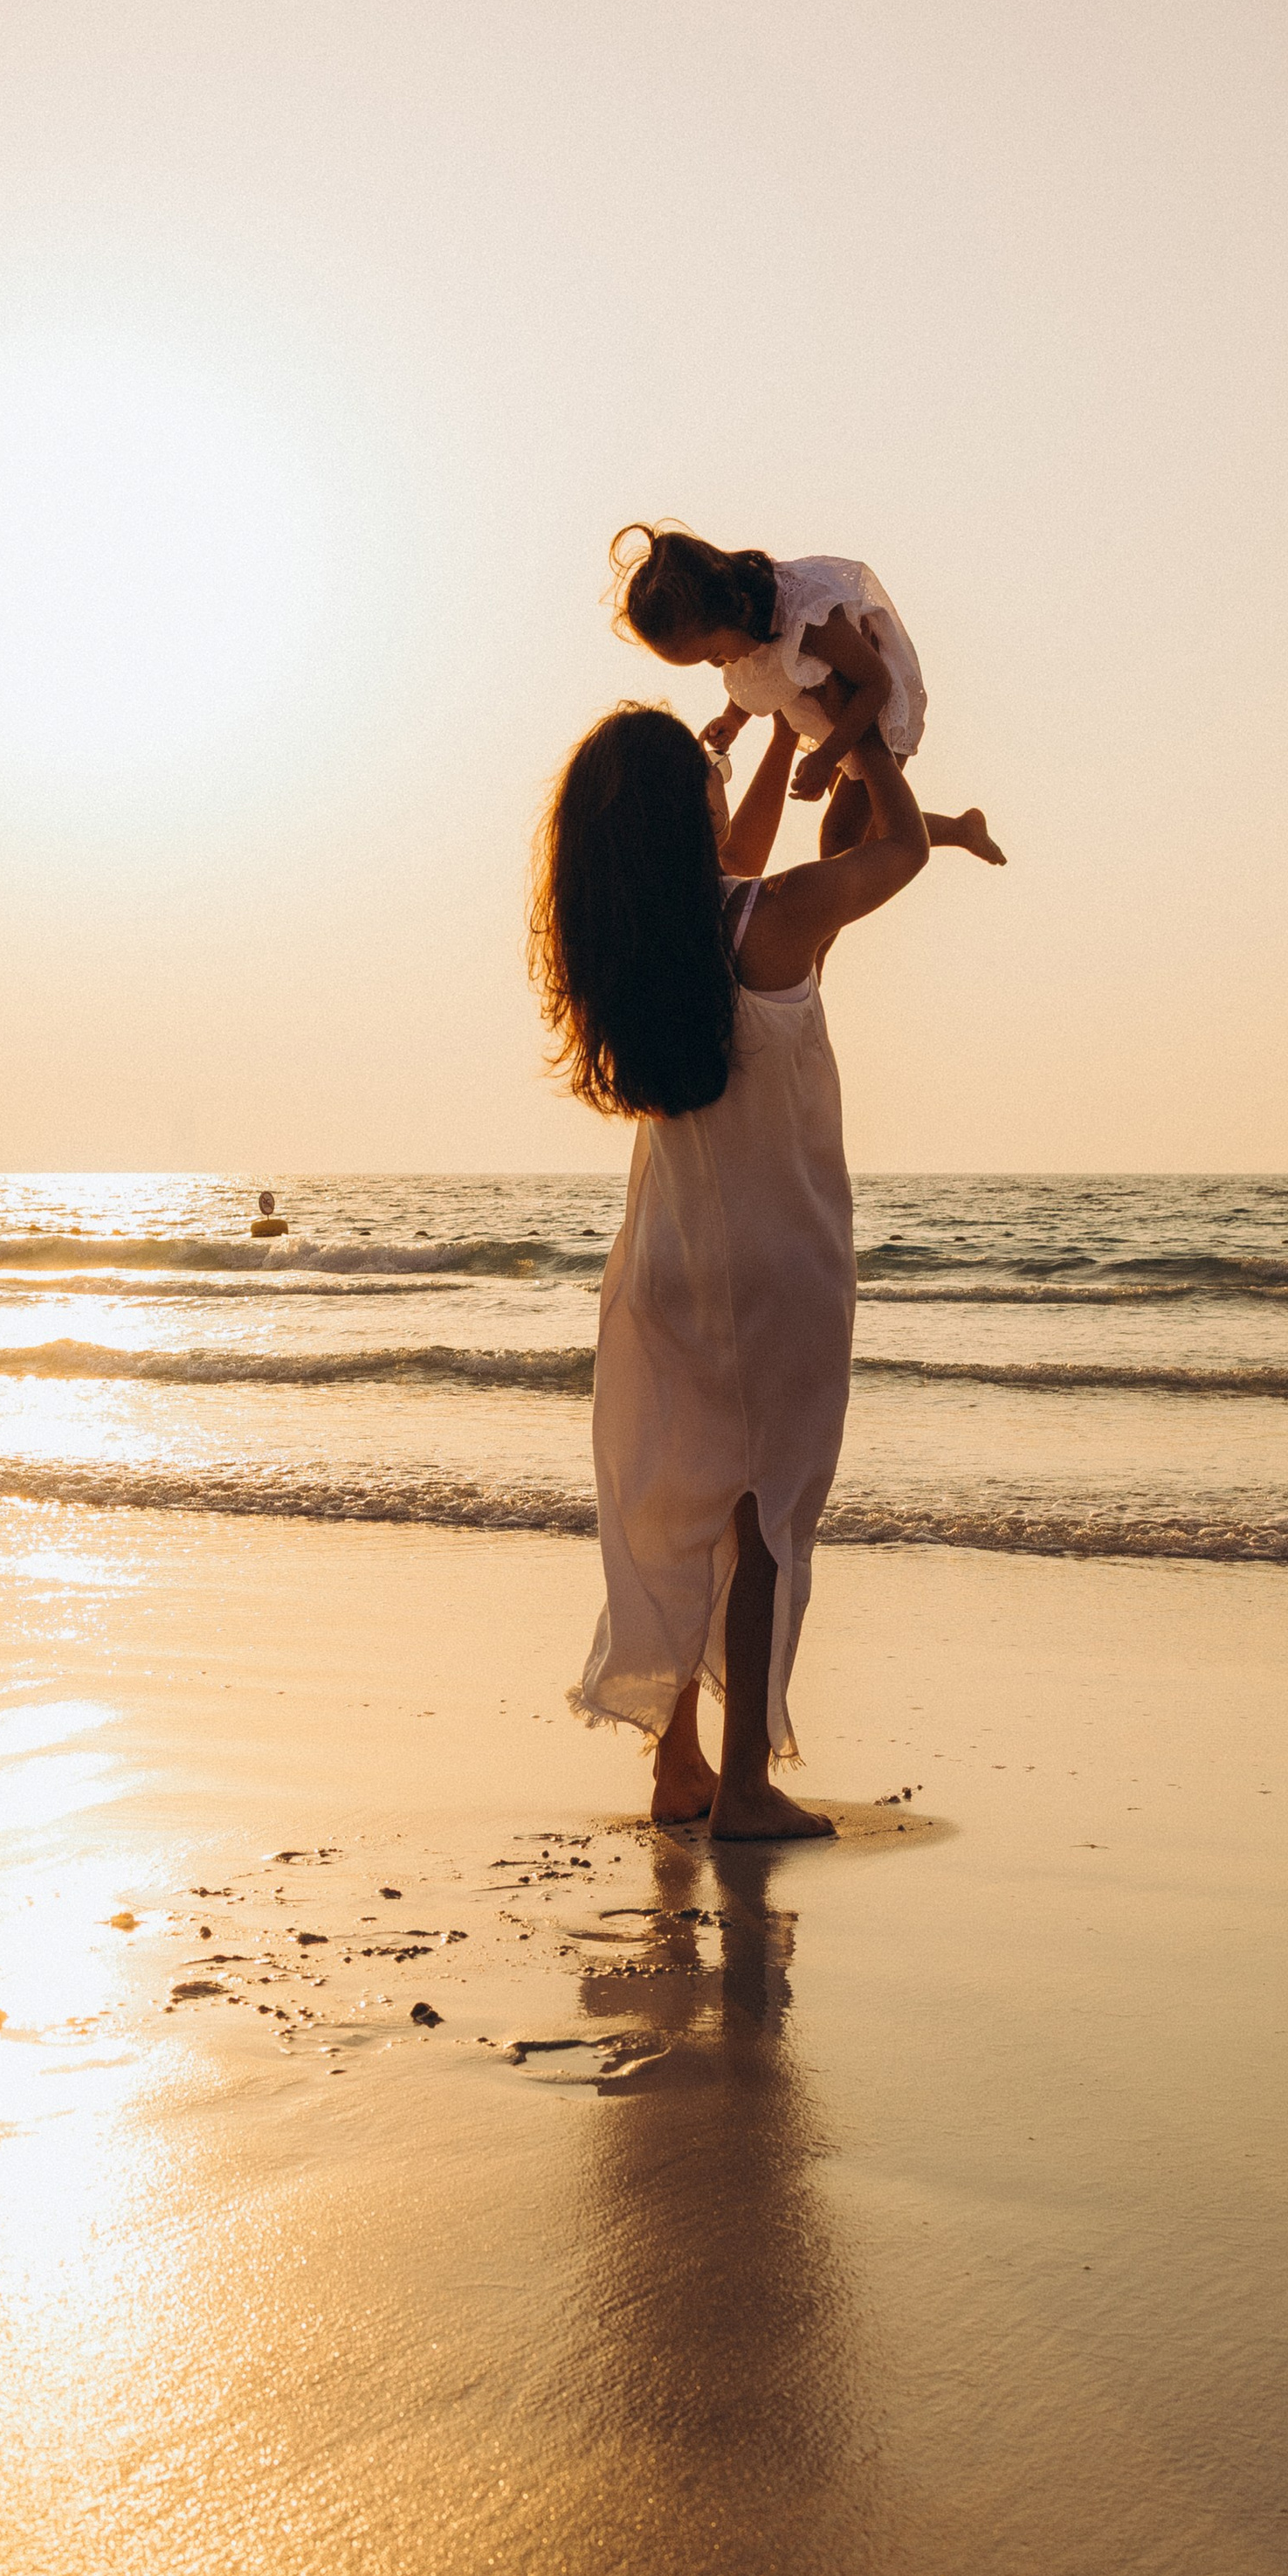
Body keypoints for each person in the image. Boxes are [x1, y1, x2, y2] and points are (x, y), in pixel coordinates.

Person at [531, 698, 929, 1839]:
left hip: (664, 1259)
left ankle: (679, 1768)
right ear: (688, 817)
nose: (722, 778)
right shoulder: (774, 919)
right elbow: (892, 854)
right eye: (707, 774)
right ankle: (747, 1783)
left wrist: (758, 727)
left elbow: (734, 848)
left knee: (688, 1501)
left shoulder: (642, 946)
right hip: (774, 1261)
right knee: (763, 1519)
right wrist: (859, 742)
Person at [610, 521, 1005, 867]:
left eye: (714, 654)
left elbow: (876, 683)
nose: (718, 666)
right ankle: (960, 829)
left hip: (873, 711)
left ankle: (815, 953)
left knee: (838, 839)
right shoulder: (742, 626)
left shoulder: (808, 618)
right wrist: (734, 718)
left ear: (736, 607)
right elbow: (759, 674)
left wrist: (826, 757)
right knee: (868, 829)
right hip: (825, 708)